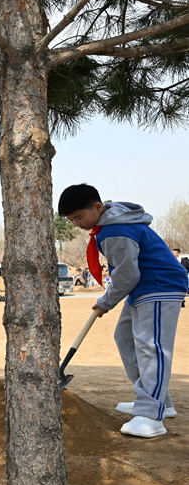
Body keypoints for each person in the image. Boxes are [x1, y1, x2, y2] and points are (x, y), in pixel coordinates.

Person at [58, 184, 188, 438]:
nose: (76, 224)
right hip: (142, 288)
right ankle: (158, 401)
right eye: (71, 220)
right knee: (125, 337)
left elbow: (128, 274)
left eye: (79, 217)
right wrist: (108, 299)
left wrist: (106, 301)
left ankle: (151, 415)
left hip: (160, 286)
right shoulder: (111, 225)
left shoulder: (115, 231)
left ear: (97, 208)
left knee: (152, 347)